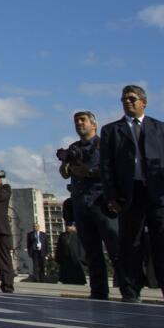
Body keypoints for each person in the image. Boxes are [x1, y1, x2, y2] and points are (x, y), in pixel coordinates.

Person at [99, 84, 164, 307]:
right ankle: (130, 289)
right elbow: (106, 166)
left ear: (144, 102)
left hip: (158, 192)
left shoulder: (160, 127)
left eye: (132, 98)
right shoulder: (111, 130)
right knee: (130, 243)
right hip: (129, 193)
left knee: (163, 243)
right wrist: (111, 195)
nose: (128, 102)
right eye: (124, 99)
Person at [58, 110, 120, 300]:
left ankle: (128, 288)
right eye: (76, 121)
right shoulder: (74, 147)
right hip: (81, 204)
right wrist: (66, 161)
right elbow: (65, 174)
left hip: (102, 202)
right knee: (92, 251)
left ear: (94, 124)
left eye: (83, 120)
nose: (79, 124)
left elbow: (112, 170)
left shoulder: (104, 145)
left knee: (115, 248)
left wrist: (89, 171)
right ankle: (99, 291)